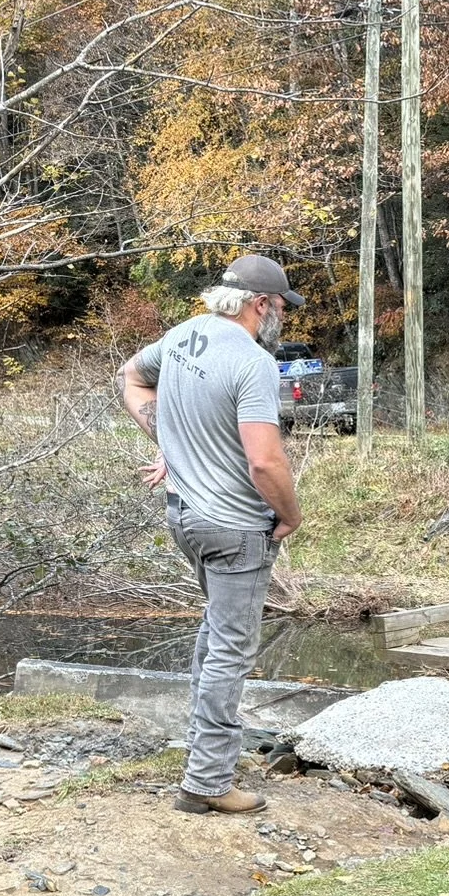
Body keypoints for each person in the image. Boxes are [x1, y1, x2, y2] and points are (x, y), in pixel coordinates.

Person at [117, 254, 305, 814]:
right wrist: (291, 516)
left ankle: (203, 753)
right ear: (259, 305)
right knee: (231, 648)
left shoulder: (181, 336)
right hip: (236, 527)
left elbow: (130, 375)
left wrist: (168, 442)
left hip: (184, 518)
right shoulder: (252, 362)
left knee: (216, 632)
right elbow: (265, 464)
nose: (282, 319)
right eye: (280, 308)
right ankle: (207, 782)